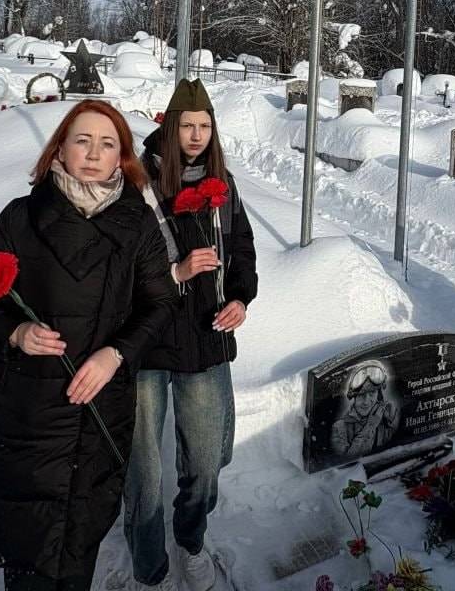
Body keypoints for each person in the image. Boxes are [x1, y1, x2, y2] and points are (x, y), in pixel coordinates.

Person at [0, 100, 177, 591]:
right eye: (83, 140)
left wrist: (115, 353)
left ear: (122, 155)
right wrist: (16, 333)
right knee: (28, 536)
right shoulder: (21, 217)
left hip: (100, 406)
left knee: (80, 535)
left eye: (108, 143)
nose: (94, 153)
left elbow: (160, 304)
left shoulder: (137, 222)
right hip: (30, 408)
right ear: (60, 147)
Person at [119, 79, 258, 591]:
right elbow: (122, 263)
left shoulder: (225, 184)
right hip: (148, 339)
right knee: (144, 470)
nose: (195, 135)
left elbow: (241, 249)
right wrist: (175, 270)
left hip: (204, 337)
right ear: (169, 127)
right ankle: (149, 568)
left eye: (204, 126)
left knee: (205, 461)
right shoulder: (138, 182)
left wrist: (241, 297)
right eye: (186, 125)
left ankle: (191, 541)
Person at [331, 361, 399, 458]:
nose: (366, 402)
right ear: (353, 397)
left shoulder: (385, 421)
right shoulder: (339, 428)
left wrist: (392, 421)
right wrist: (370, 426)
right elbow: (348, 459)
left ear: (379, 396)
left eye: (372, 394)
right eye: (361, 395)